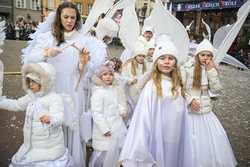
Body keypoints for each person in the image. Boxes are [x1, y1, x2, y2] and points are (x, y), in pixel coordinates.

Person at [21, 2, 91, 166]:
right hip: (52, 89)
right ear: (59, 18)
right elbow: (29, 59)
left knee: (70, 125)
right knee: (52, 125)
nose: (69, 21)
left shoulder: (81, 40)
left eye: (73, 17)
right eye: (66, 17)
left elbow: (82, 72)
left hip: (73, 89)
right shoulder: (47, 38)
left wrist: (82, 62)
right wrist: (46, 53)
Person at [119, 36, 191, 167]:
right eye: (162, 58)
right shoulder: (152, 86)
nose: (167, 62)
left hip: (174, 136)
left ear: (175, 62)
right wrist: (142, 141)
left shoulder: (177, 85)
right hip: (157, 136)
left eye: (170, 58)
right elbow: (143, 116)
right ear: (156, 62)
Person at [0, 62, 73, 167]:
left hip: (49, 147)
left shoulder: (54, 98)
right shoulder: (31, 96)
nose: (30, 85)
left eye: (34, 82)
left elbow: (59, 117)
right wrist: (1, 102)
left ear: (45, 82)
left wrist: (51, 119)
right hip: (31, 145)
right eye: (29, 81)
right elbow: (17, 105)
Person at [181, 39, 237, 167]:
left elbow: (216, 90)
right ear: (197, 55)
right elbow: (180, 87)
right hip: (190, 110)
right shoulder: (187, 67)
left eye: (208, 55)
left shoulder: (211, 68)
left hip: (205, 110)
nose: (205, 58)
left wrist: (212, 71)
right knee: (190, 139)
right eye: (202, 55)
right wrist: (190, 101)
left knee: (208, 139)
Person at [89, 64, 128, 167]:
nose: (108, 77)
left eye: (110, 74)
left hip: (116, 125)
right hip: (105, 130)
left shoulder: (113, 89)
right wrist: (104, 129)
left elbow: (117, 103)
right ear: (99, 77)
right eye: (105, 74)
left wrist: (122, 110)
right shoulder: (98, 92)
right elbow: (96, 113)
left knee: (115, 152)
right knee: (103, 154)